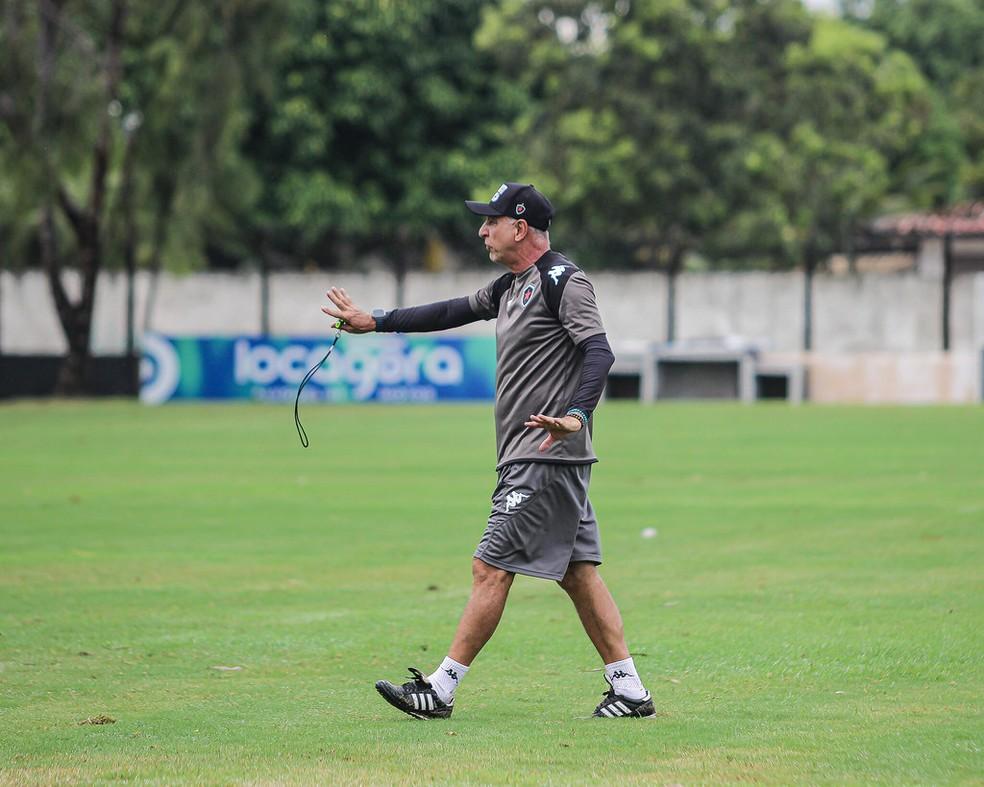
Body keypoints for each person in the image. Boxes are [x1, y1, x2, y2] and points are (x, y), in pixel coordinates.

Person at [321, 182, 652, 720]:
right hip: (539, 457)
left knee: (489, 567)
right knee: (577, 574)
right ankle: (631, 692)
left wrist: (577, 415)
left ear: (519, 227)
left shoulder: (563, 282)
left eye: (490, 221)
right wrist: (374, 321)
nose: (482, 230)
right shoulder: (509, 286)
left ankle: (441, 689)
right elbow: (450, 310)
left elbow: (599, 350)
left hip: (543, 454)